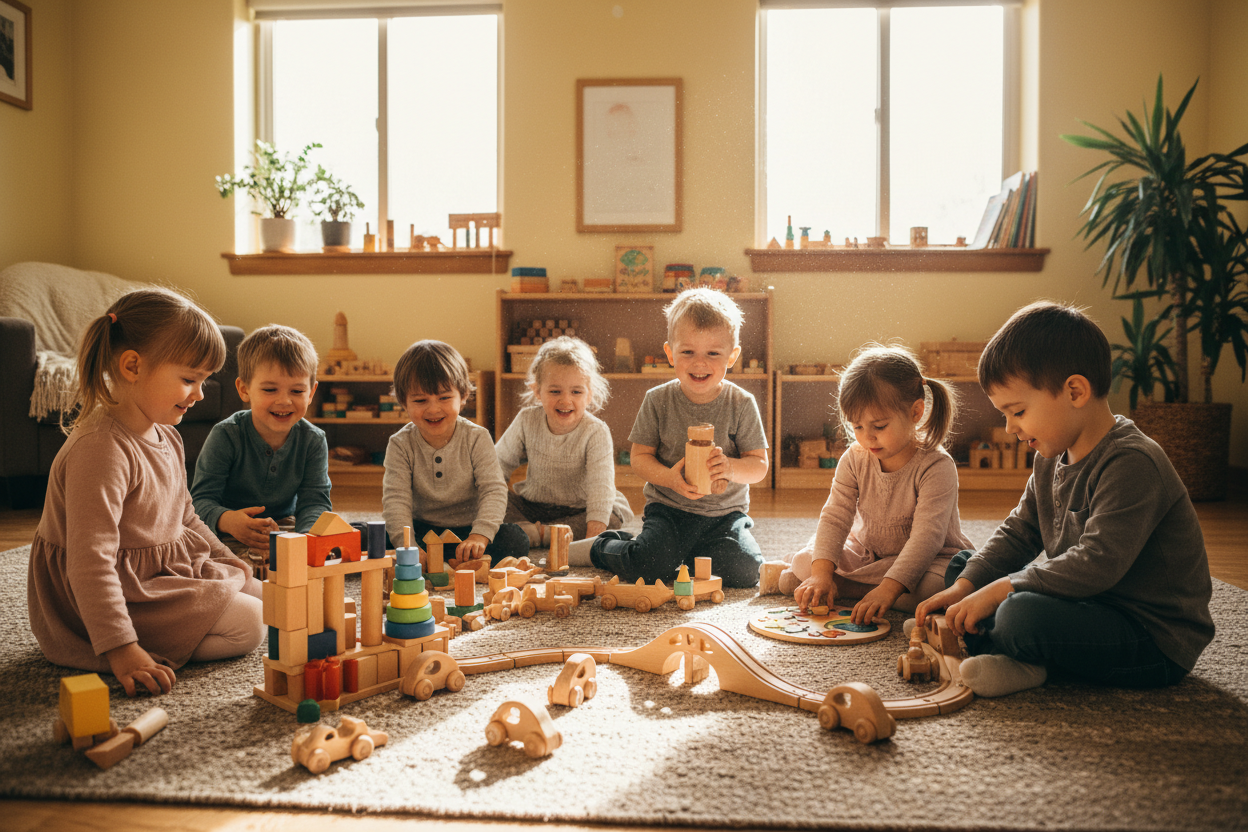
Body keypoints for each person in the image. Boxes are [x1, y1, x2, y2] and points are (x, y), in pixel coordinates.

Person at [915, 301, 1214, 697]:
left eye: (1017, 410)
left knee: (1018, 613)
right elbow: (1020, 533)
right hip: (1086, 606)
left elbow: (1097, 563)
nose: (1009, 428)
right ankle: (987, 639)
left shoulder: (1134, 462)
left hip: (1149, 637)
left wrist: (1003, 589)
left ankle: (1025, 662)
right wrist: (968, 586)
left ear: (1074, 391)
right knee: (965, 567)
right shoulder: (1050, 455)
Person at [27, 288, 263, 697]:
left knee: (264, 595)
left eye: (204, 381)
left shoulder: (167, 436)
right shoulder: (101, 449)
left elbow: (186, 517)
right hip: (103, 592)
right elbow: (89, 563)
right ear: (133, 366)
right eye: (190, 379)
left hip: (155, 570)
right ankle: (123, 644)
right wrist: (121, 648)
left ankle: (182, 625)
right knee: (250, 626)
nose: (201, 394)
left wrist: (232, 564)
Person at [575, 288, 769, 586]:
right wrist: (669, 479)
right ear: (670, 353)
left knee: (745, 570)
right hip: (669, 511)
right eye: (688, 352)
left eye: (713, 354)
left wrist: (730, 468)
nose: (700, 363)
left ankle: (682, 557)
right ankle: (604, 546)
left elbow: (758, 466)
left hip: (724, 516)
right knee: (648, 565)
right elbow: (639, 458)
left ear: (732, 357)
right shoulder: (658, 400)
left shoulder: (741, 403)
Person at [783, 344, 972, 625]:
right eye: (857, 427)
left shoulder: (936, 465)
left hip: (928, 559)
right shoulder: (855, 458)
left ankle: (849, 589)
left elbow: (926, 539)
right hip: (868, 555)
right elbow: (835, 516)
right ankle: (844, 586)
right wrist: (821, 574)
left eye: (879, 426)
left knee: (939, 587)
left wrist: (888, 589)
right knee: (806, 561)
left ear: (916, 412)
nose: (866, 438)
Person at [191, 324, 331, 574]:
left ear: (311, 393)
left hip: (284, 526)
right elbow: (200, 501)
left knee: (328, 548)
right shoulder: (226, 434)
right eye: (270, 389)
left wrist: (307, 540)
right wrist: (227, 520)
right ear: (244, 389)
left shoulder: (313, 440)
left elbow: (314, 501)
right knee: (213, 563)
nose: (284, 401)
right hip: (228, 526)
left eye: (297, 391)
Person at [382, 339, 528, 562]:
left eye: (444, 398)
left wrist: (480, 535)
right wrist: (407, 545)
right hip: (422, 531)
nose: (433, 409)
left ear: (463, 397)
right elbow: (396, 499)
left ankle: (452, 557)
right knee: (371, 535)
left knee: (515, 539)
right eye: (421, 400)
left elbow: (493, 490)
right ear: (404, 402)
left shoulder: (476, 437)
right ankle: (433, 557)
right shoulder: (400, 444)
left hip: (468, 531)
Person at [495, 336, 634, 545]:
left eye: (576, 392)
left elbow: (600, 486)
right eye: (555, 391)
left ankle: (538, 535)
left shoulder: (595, 431)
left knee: (611, 516)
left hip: (579, 509)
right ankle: (543, 534)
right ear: (537, 392)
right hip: (531, 507)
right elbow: (497, 464)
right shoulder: (526, 419)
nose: (565, 400)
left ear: (588, 395)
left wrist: (591, 539)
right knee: (488, 495)